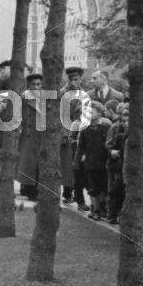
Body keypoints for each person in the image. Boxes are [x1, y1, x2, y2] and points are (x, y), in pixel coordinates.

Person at [78, 101, 112, 219]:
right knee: (92, 188)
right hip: (90, 163)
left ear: (99, 114)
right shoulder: (84, 129)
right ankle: (95, 209)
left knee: (103, 187)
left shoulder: (106, 128)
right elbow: (80, 148)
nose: (87, 114)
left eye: (91, 112)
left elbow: (109, 144)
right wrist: (77, 162)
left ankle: (102, 207)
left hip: (103, 163)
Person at [60, 67, 87, 205]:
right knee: (67, 165)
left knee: (78, 167)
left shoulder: (84, 95)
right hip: (66, 134)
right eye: (70, 79)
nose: (73, 82)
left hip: (80, 134)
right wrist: (65, 135)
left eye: (76, 79)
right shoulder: (62, 94)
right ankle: (67, 191)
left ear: (80, 79)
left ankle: (77, 194)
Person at [17, 73, 45, 200]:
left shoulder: (45, 97)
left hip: (41, 134)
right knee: (28, 163)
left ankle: (35, 189)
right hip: (28, 134)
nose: (36, 87)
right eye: (33, 84)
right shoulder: (24, 97)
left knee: (38, 163)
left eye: (38, 84)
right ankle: (29, 189)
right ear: (29, 85)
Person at [105, 103, 129, 225]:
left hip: (126, 166)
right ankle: (112, 214)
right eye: (124, 120)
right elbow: (109, 145)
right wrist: (112, 151)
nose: (125, 123)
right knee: (114, 190)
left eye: (128, 121)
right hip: (117, 166)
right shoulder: (117, 131)